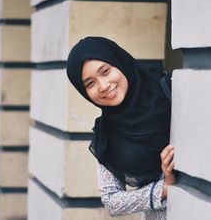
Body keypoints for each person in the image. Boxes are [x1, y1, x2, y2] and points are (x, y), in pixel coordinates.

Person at [66, 37, 176, 219]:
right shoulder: (106, 135)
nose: (103, 86)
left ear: (119, 61)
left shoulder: (170, 90)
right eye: (90, 83)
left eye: (106, 71)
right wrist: (163, 188)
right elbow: (112, 201)